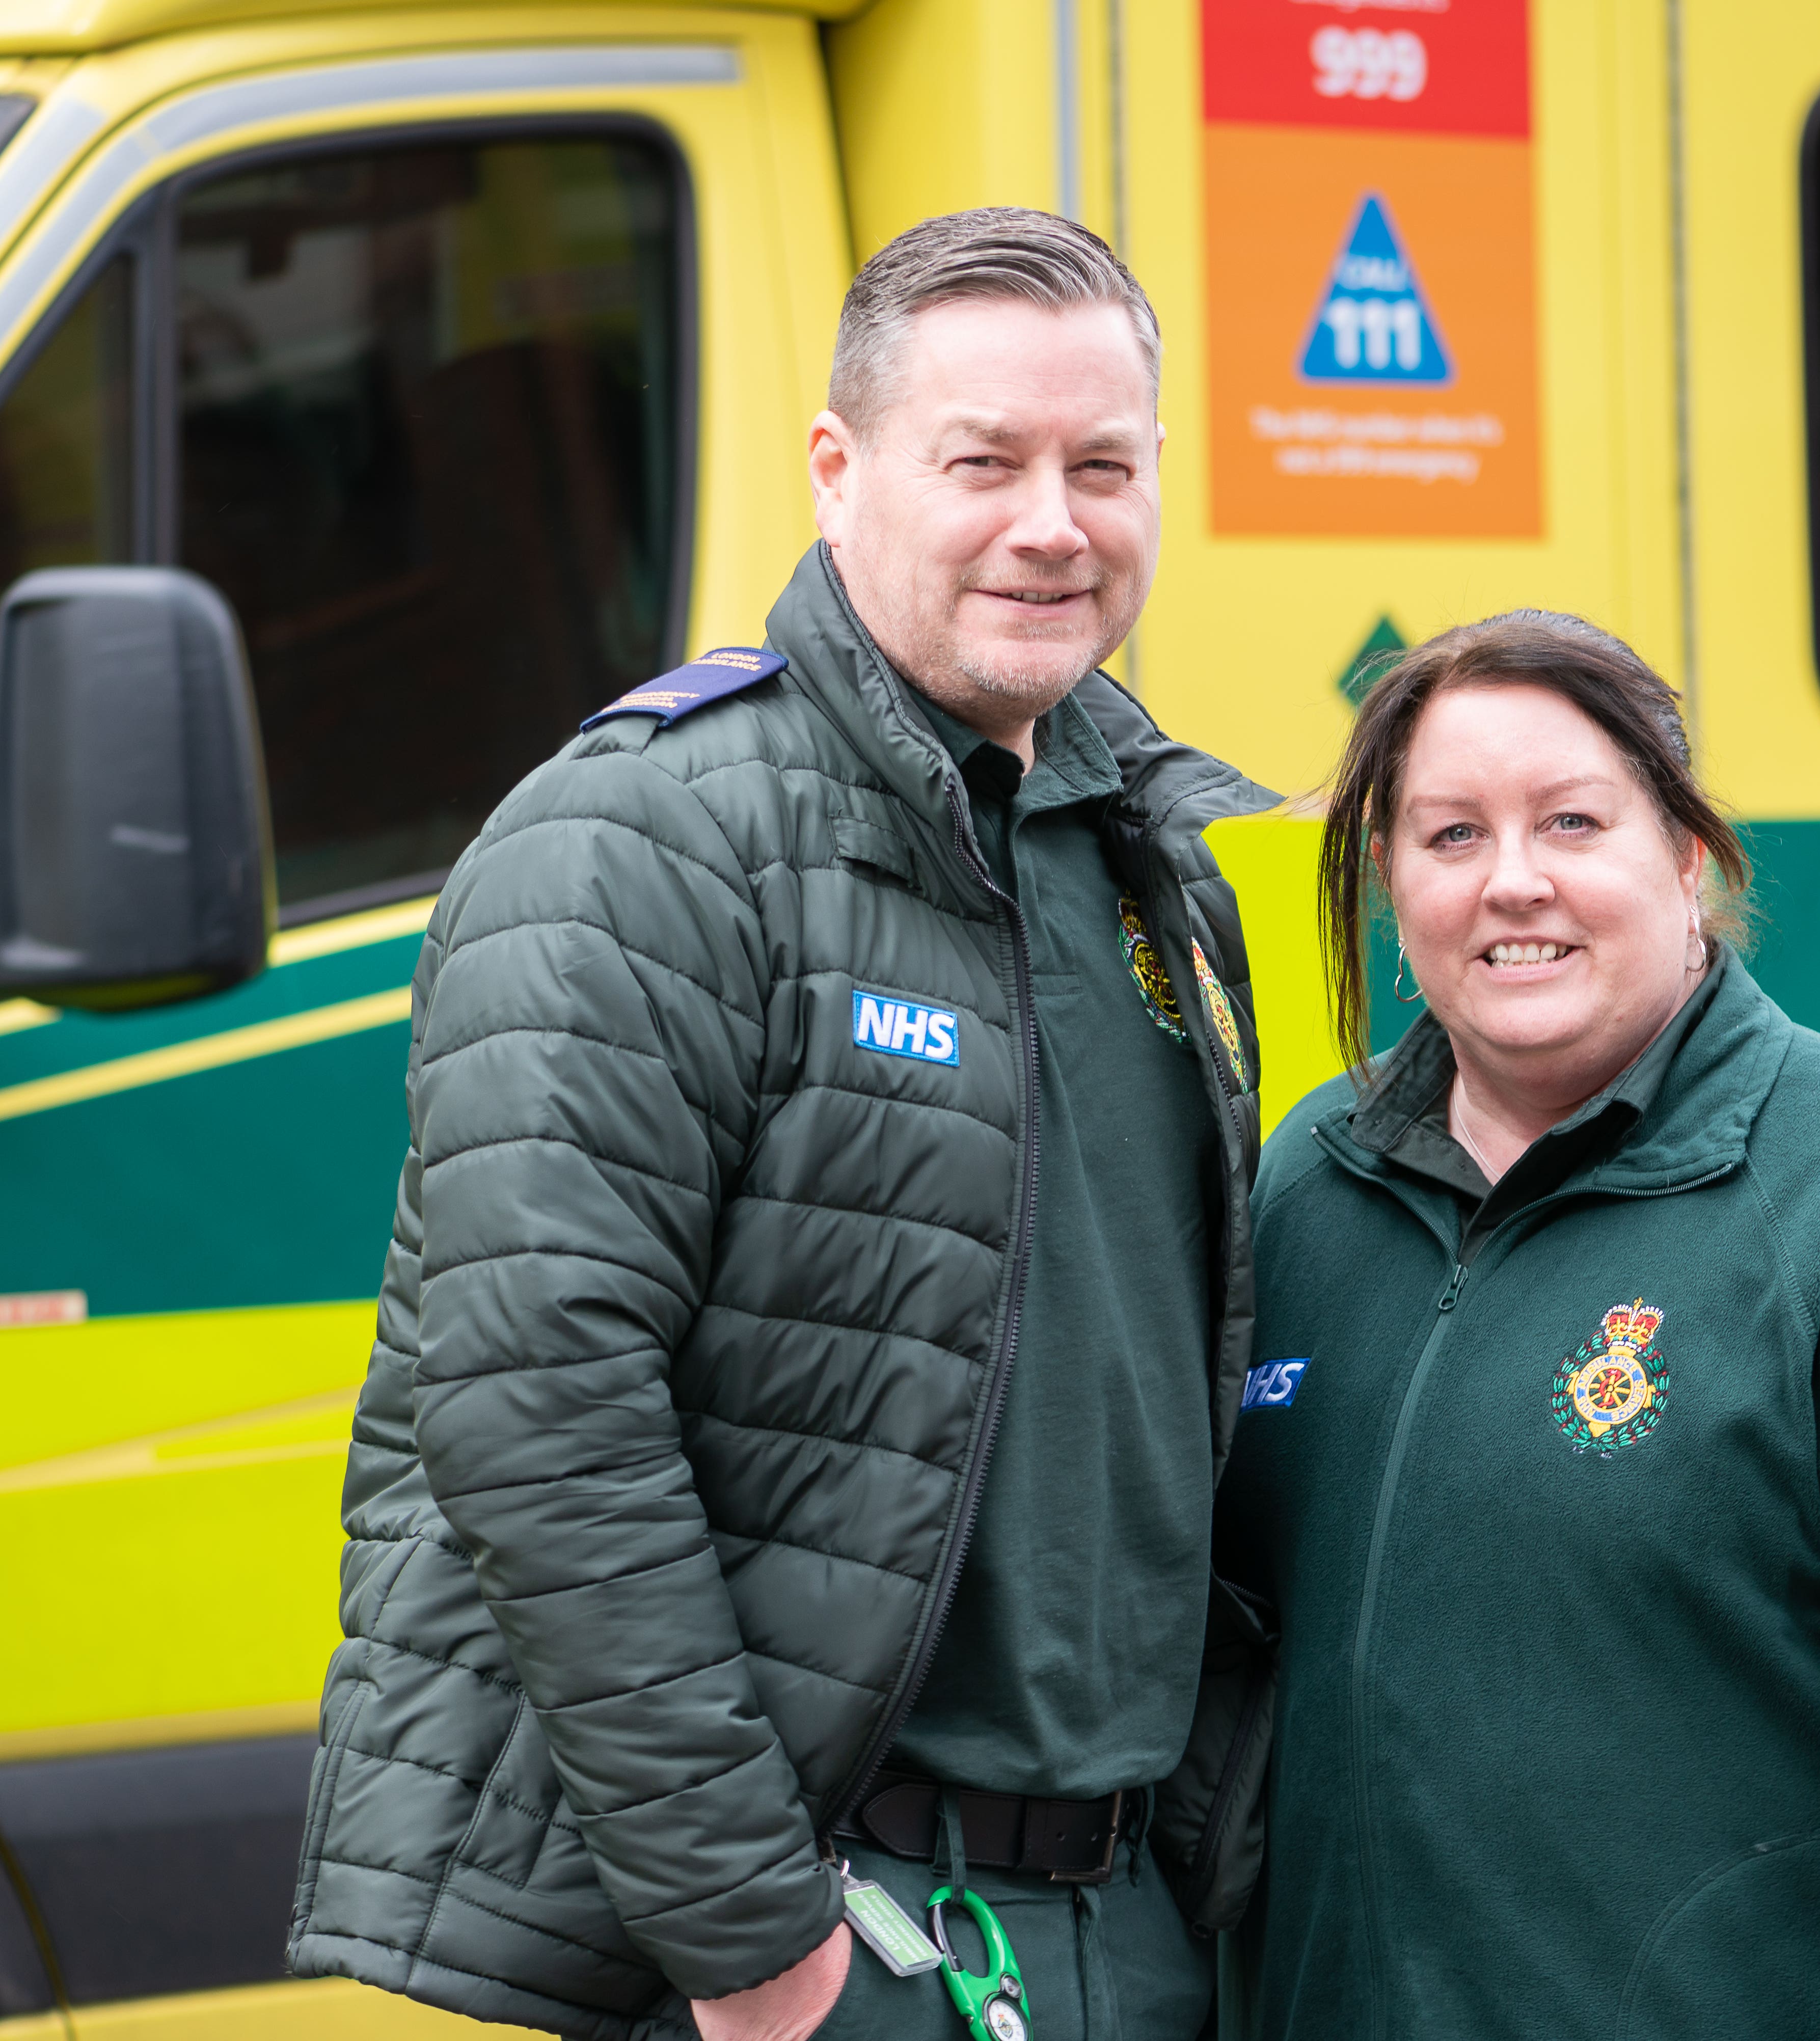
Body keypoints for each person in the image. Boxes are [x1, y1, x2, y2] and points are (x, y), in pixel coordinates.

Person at [289, 208, 1274, 2041]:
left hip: (1136, 1919)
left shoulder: (1146, 857)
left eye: (1102, 465)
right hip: (838, 1940)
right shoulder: (642, 841)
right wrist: (760, 1958)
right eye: (980, 462)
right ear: (839, 472)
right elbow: (534, 1406)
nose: (1050, 523)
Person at [1216, 612, 1820, 2041]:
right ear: (1393, 885)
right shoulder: (1304, 1185)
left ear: (1688, 860)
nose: (1512, 883)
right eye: (1449, 836)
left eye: (1572, 822)